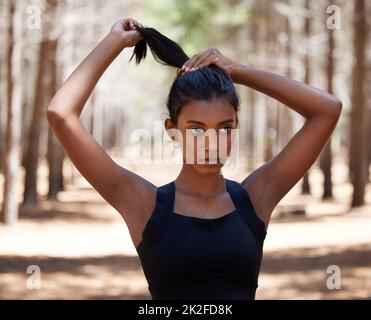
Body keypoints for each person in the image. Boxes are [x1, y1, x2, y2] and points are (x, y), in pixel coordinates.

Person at [47, 18, 342, 300]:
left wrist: (235, 70)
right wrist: (114, 41)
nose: (211, 144)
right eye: (197, 130)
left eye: (225, 128)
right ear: (172, 131)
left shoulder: (254, 198)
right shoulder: (144, 204)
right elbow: (61, 114)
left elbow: (327, 109)